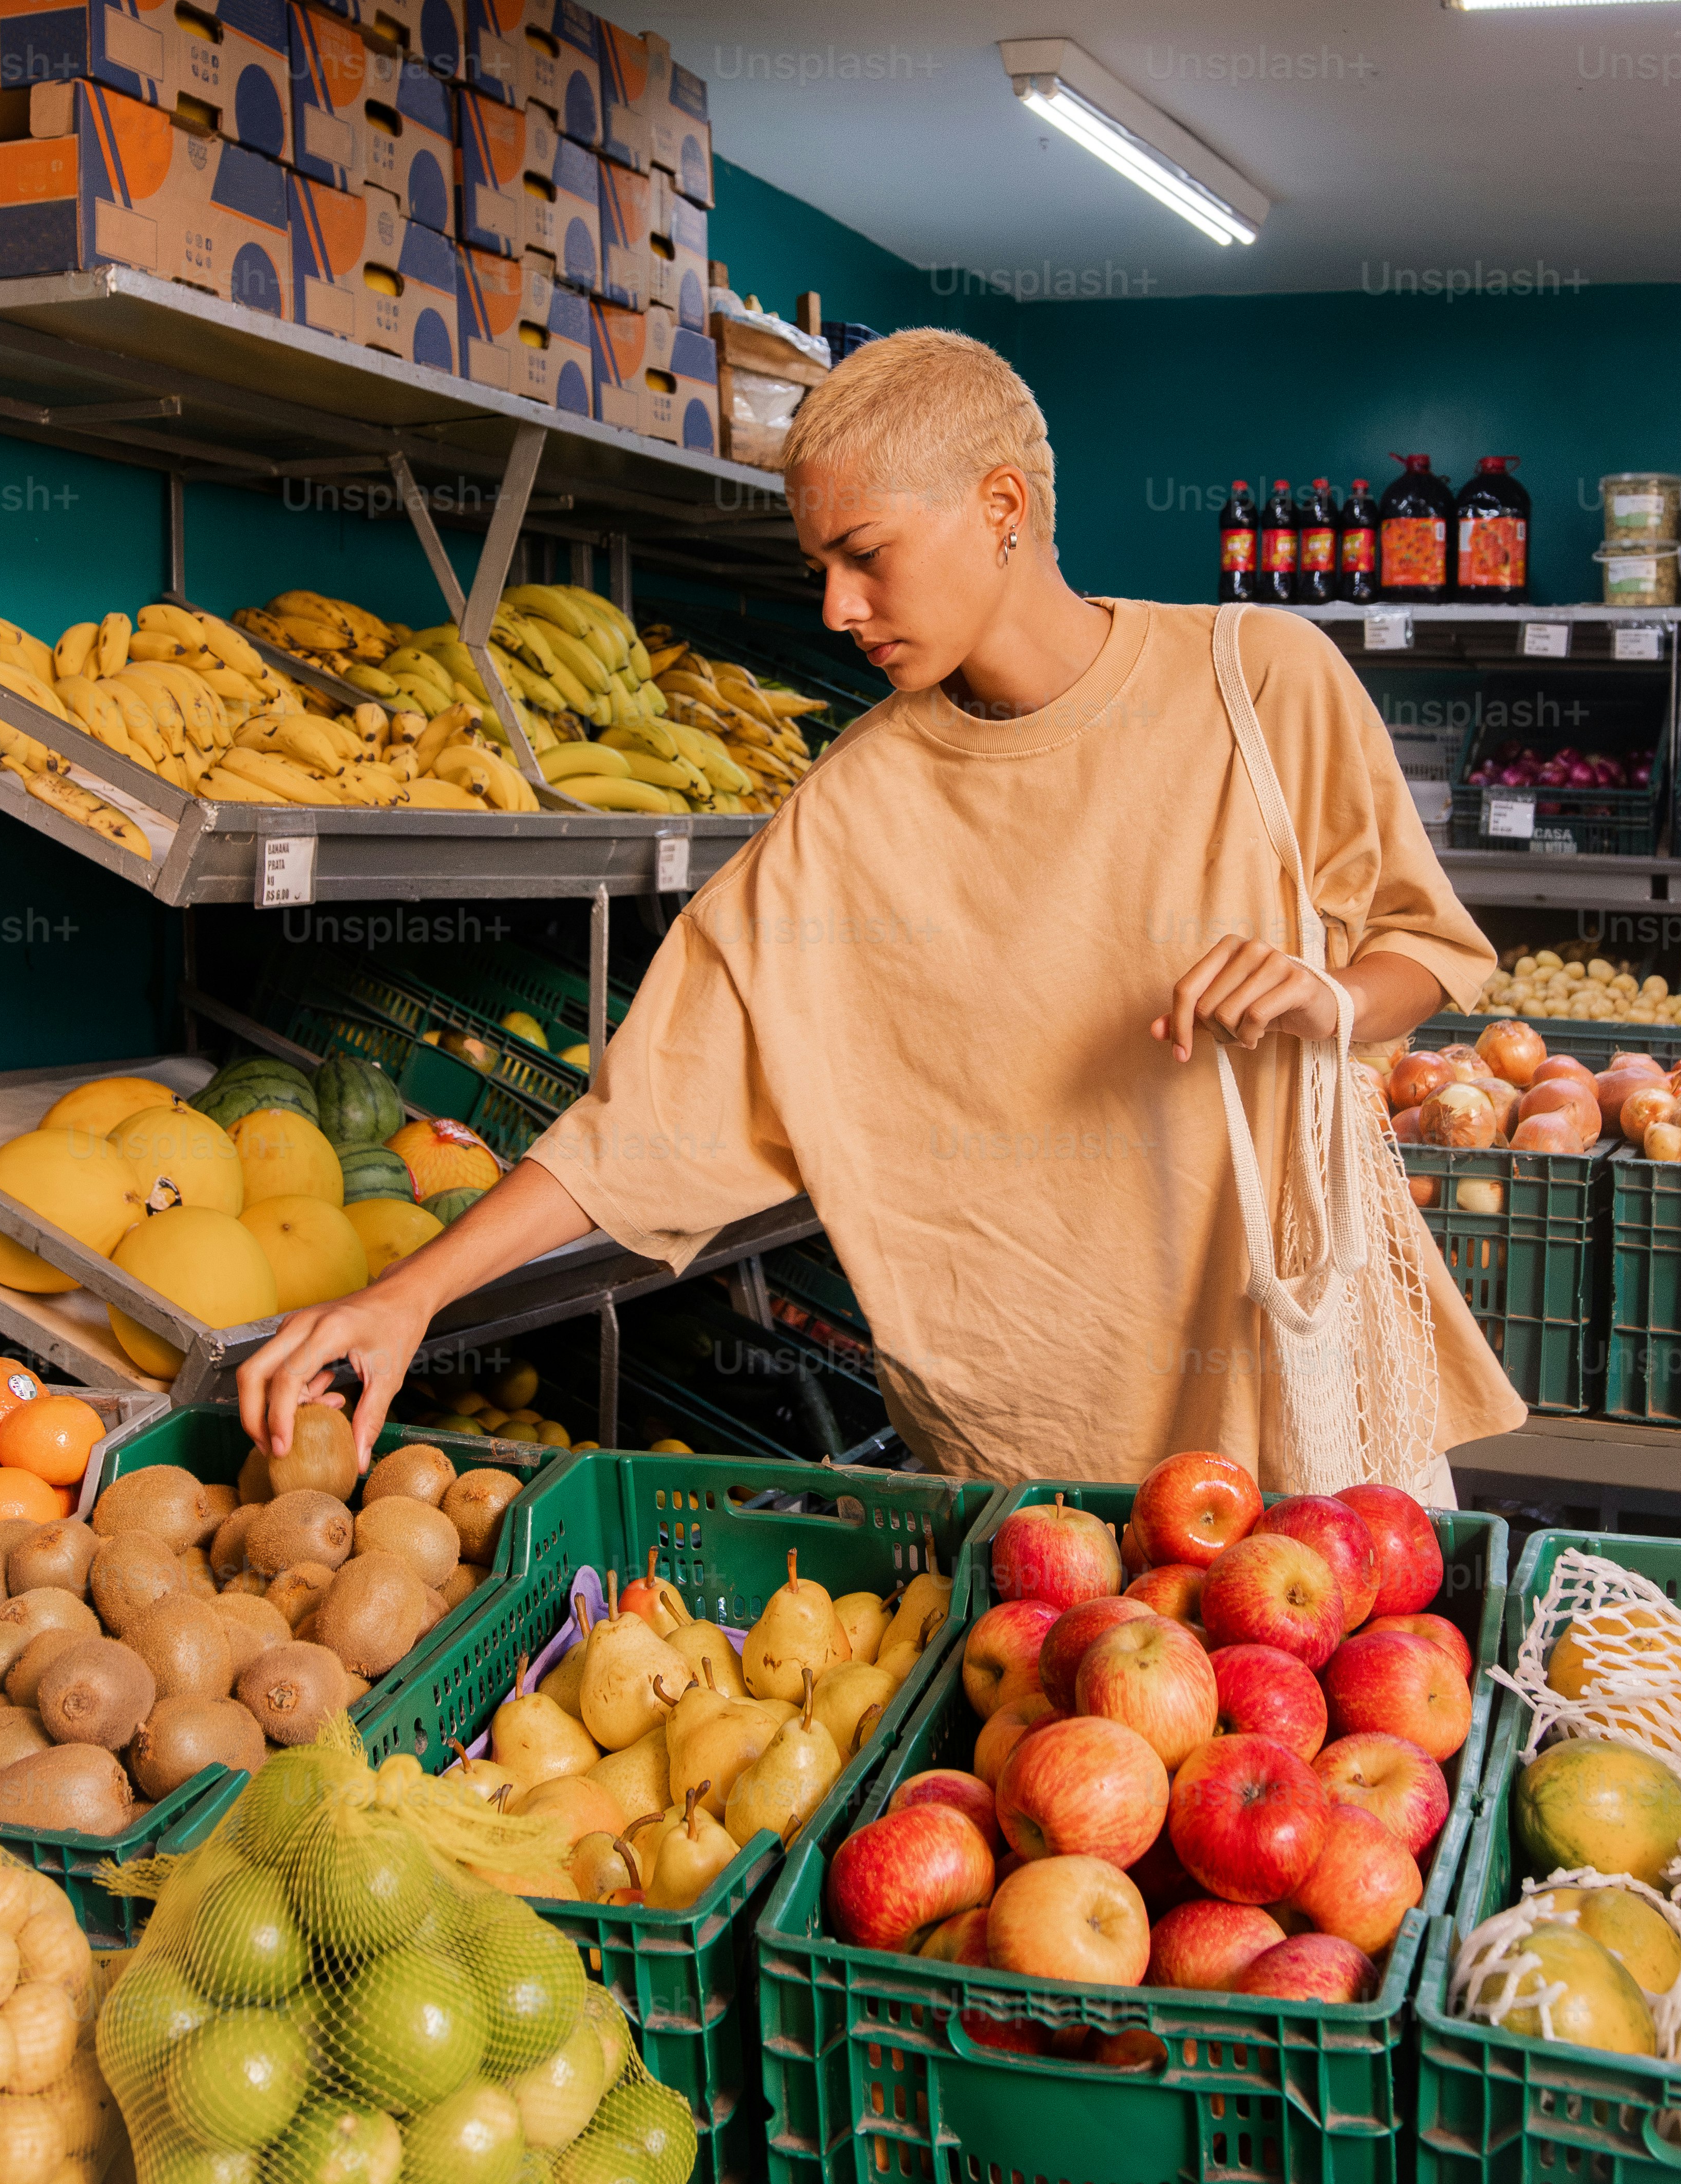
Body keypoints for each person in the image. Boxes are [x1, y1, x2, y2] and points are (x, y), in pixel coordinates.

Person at [240, 330, 1526, 1488]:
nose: (835, 609)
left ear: (1001, 508)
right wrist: (410, 1295)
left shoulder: (1261, 685)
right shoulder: (849, 811)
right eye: (817, 568)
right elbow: (650, 1120)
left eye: (864, 557)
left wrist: (1331, 998)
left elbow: (1421, 945)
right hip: (1039, 1471)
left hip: (1307, 1423)